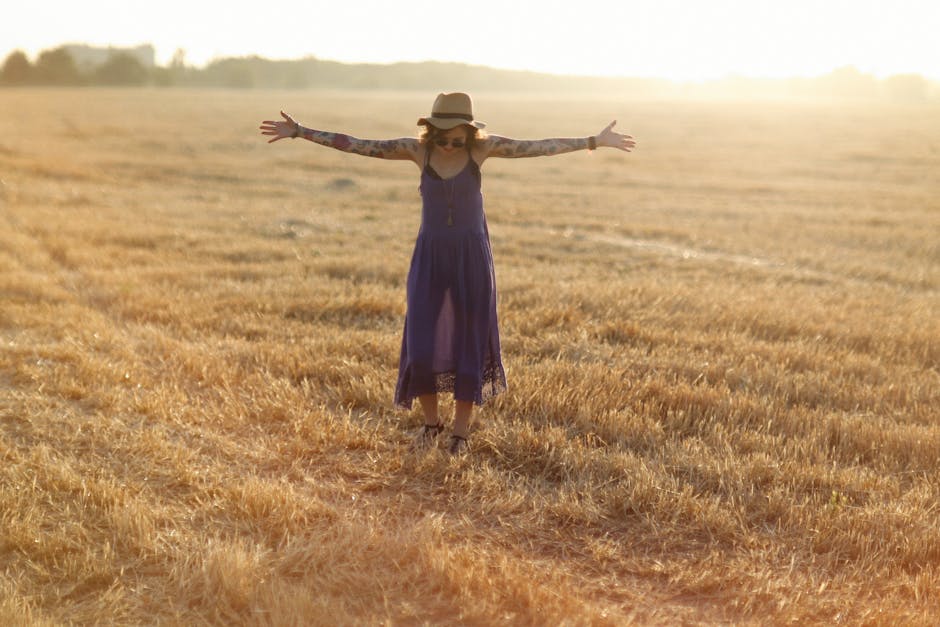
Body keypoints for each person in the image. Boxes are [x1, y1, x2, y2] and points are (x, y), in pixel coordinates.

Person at [260, 92, 635, 455]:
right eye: (443, 139)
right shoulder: (416, 150)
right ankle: (430, 424)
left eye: (457, 140)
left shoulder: (481, 149)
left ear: (470, 134)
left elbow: (536, 146)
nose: (450, 147)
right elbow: (358, 144)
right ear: (431, 132)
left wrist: (593, 141)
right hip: (430, 257)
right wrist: (301, 131)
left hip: (471, 257)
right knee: (421, 341)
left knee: (470, 339)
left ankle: (459, 433)